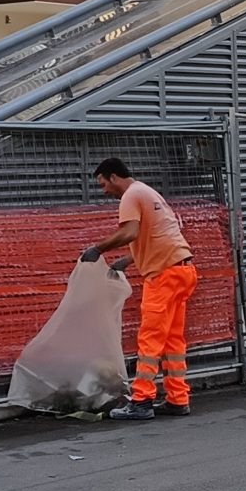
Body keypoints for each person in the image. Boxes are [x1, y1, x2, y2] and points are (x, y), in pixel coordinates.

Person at [81, 157, 198, 420]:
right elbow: (159, 234)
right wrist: (129, 260)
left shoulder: (130, 196)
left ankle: (142, 401)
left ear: (114, 177)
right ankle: (178, 399)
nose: (104, 191)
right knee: (172, 341)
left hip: (164, 276)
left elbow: (130, 233)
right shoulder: (148, 192)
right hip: (183, 270)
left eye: (103, 184)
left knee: (150, 339)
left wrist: (97, 249)